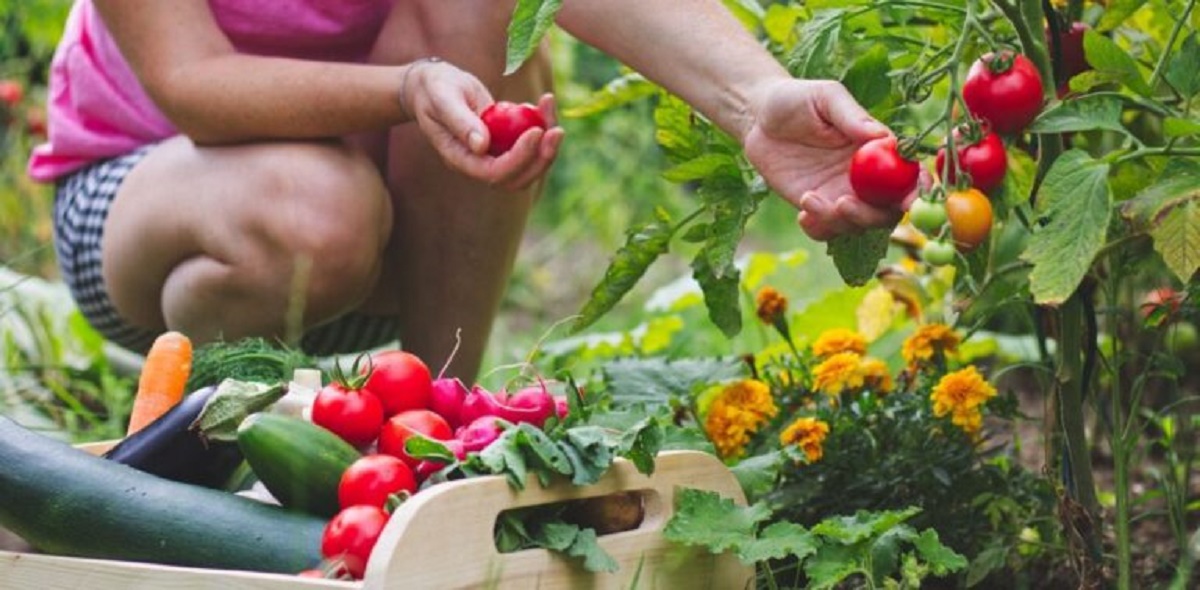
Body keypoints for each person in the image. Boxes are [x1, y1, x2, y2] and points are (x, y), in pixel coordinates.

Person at [30, 0, 909, 383]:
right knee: (312, 214)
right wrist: (411, 88)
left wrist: (753, 100)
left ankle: (438, 409)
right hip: (156, 212)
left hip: (391, 238)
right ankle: (211, 421)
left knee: (494, 9)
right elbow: (194, 85)